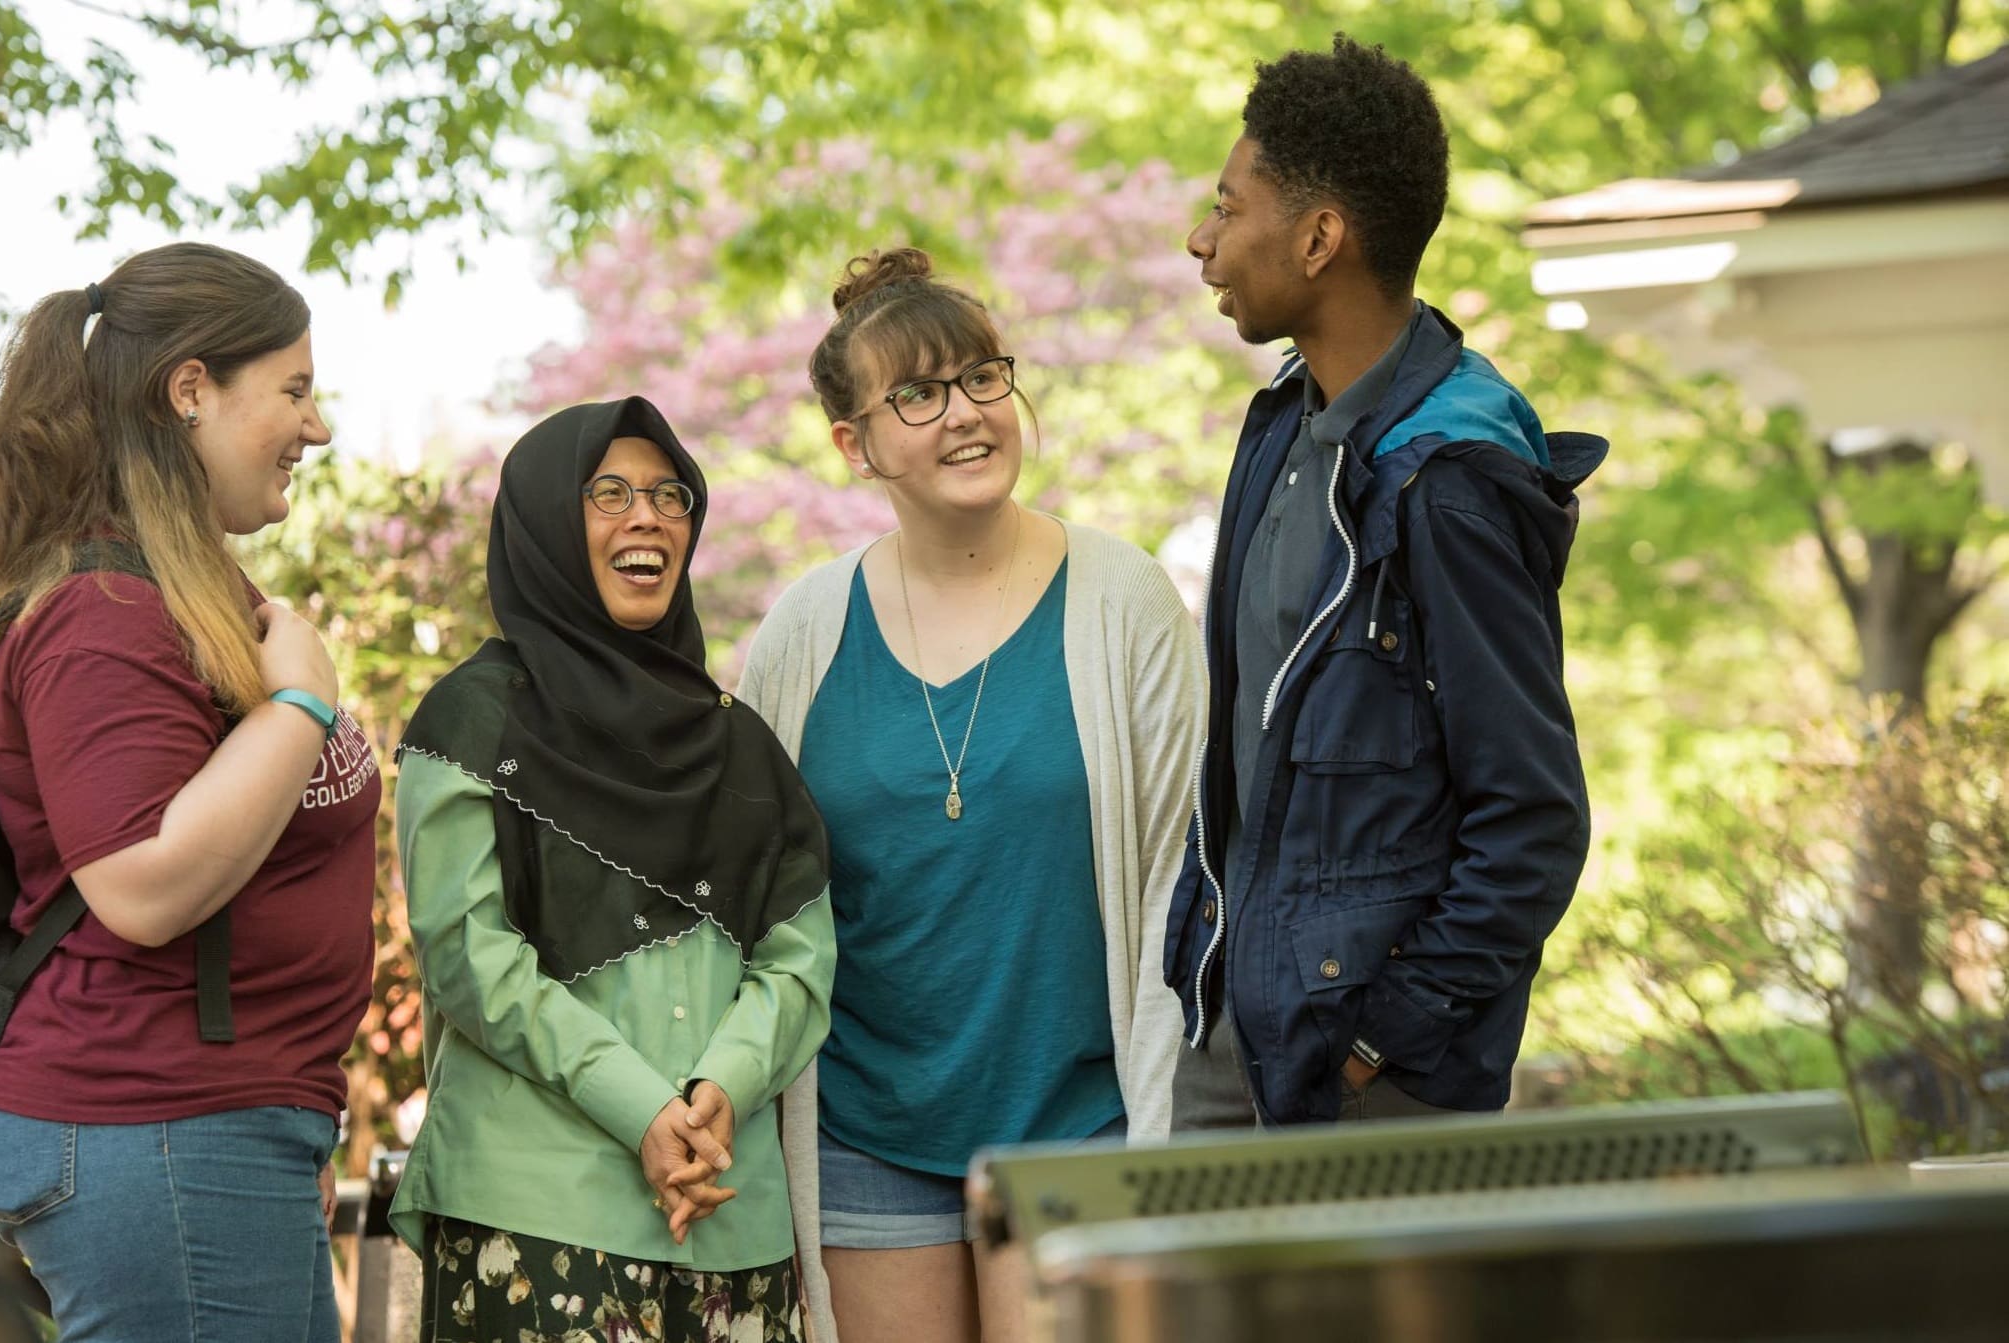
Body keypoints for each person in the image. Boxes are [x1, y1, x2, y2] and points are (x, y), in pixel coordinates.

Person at [739, 248, 1204, 1343]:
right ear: (853, 443)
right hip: (866, 1129)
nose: (965, 414)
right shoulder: (804, 633)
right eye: (917, 393)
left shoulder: (1125, 601)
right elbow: (757, 900)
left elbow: (1188, 873)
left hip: (1078, 1124)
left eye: (984, 377)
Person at [1165, 35, 1608, 1130]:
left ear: (1319, 237)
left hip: (1369, 1080)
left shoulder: (1448, 482)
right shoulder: (1279, 425)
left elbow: (1533, 814)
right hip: (1235, 1044)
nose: (1201, 241)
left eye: (1228, 207)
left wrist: (1388, 1042)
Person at [0, 242, 375, 1341]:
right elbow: (138, 880)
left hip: (210, 1129)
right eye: (293, 390)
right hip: (158, 1121)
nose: (316, 427)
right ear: (191, 389)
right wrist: (299, 707)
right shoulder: (105, 612)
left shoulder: (176, 597)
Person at [389, 397, 836, 1342]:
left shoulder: (737, 743)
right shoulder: (472, 723)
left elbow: (799, 957)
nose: (647, 516)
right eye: (609, 493)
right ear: (548, 522)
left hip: (732, 1221)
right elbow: (469, 959)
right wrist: (643, 1111)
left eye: (669, 494)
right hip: (539, 1213)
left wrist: (722, 1090)